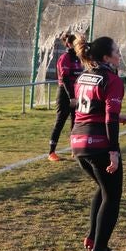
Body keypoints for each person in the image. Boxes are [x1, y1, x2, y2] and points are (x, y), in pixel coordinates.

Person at [70, 37, 126, 251]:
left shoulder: (83, 76)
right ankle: (99, 250)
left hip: (78, 141)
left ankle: (92, 238)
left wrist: (116, 117)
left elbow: (81, 108)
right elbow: (108, 118)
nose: (119, 54)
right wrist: (113, 151)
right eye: (116, 51)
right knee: (113, 196)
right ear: (106, 57)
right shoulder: (112, 79)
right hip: (99, 144)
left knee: (103, 188)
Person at [48, 32, 84, 161]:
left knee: (76, 122)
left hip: (76, 93)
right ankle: (51, 152)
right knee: (60, 121)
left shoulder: (78, 58)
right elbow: (65, 78)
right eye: (76, 43)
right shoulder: (64, 58)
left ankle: (75, 149)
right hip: (65, 93)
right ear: (69, 44)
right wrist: (71, 97)